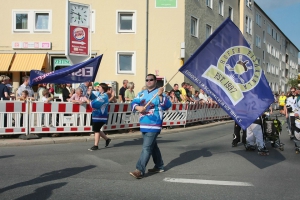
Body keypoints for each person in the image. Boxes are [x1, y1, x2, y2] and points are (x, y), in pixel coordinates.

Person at [129, 74, 172, 179]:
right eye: (147, 80)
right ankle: (159, 165)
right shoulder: (142, 93)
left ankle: (139, 170)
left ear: (155, 81)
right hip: (144, 123)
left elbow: (167, 106)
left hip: (154, 123)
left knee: (146, 147)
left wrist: (161, 96)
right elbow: (133, 102)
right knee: (153, 147)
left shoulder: (160, 93)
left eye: (151, 80)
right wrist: (138, 107)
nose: (148, 81)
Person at [87, 83, 112, 151]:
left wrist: (89, 102)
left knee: (96, 130)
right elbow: (94, 94)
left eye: (100, 87)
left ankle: (96, 145)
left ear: (103, 88)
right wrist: (90, 92)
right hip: (96, 115)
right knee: (96, 129)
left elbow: (94, 104)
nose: (98, 88)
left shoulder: (104, 96)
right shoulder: (101, 94)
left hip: (100, 115)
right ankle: (107, 139)